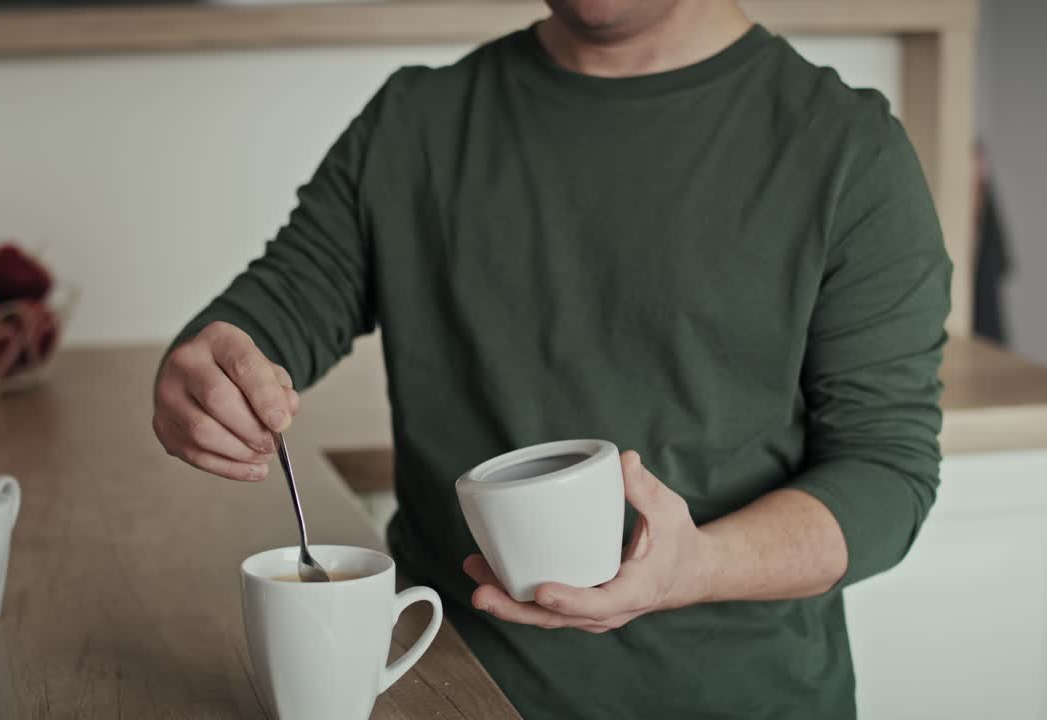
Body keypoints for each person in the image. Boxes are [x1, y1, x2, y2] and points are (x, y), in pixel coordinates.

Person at [152, 0, 952, 716]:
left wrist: (698, 566)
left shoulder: (849, 151)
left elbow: (885, 473)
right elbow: (277, 309)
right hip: (444, 684)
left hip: (738, 695)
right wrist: (211, 373)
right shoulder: (415, 121)